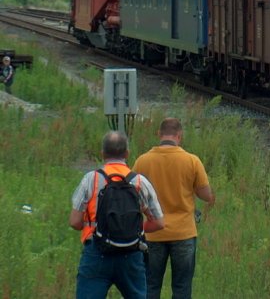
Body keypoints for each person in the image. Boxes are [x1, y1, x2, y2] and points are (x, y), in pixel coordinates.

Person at [69, 130, 165, 299]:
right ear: (127, 154)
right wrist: (130, 229)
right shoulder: (140, 182)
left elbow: (75, 222)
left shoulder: (91, 179)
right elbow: (158, 223)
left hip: (96, 252)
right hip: (131, 253)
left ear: (102, 154)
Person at [133, 117, 215, 299]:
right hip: (184, 233)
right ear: (180, 136)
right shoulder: (192, 161)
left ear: (159, 135)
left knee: (150, 286)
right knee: (182, 288)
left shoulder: (142, 161)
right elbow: (206, 195)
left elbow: (133, 196)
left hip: (154, 233)